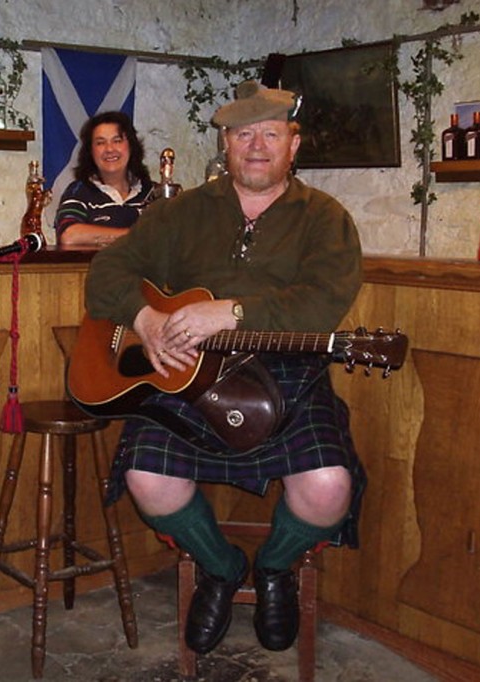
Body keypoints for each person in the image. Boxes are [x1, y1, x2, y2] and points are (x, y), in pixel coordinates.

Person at [83, 81, 365, 656]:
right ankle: (220, 567)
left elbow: (321, 304)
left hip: (286, 377)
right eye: (242, 134)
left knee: (329, 487)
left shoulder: (325, 218)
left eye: (269, 133)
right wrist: (144, 320)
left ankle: (276, 569)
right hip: (186, 377)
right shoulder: (181, 212)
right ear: (226, 145)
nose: (256, 146)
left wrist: (231, 312)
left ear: (293, 144)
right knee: (147, 479)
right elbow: (107, 274)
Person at [54, 110, 155, 247]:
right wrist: (135, 236)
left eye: (117, 141)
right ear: (90, 151)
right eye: (100, 143)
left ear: (131, 146)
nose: (109, 149)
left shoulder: (153, 192)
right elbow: (69, 235)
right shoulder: (78, 192)